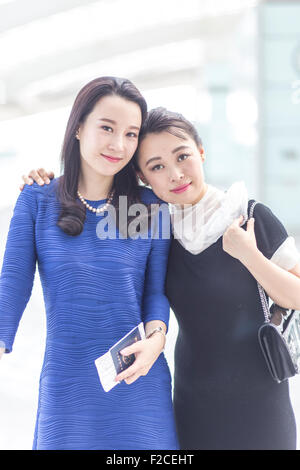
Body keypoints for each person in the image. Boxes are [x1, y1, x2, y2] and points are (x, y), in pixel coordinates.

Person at [24, 106, 300, 450]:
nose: (175, 174)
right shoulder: (157, 227)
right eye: (157, 166)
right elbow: (96, 241)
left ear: (201, 153)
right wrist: (48, 185)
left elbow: (296, 295)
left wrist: (249, 255)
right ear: (143, 178)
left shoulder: (249, 215)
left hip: (260, 405)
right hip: (190, 404)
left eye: (182, 156)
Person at [0, 79, 179, 450]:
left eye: (131, 134)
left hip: (137, 380)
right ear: (79, 127)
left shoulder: (146, 207)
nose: (119, 144)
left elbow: (155, 291)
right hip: (67, 387)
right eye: (107, 128)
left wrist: (157, 341)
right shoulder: (38, 200)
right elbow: (14, 282)